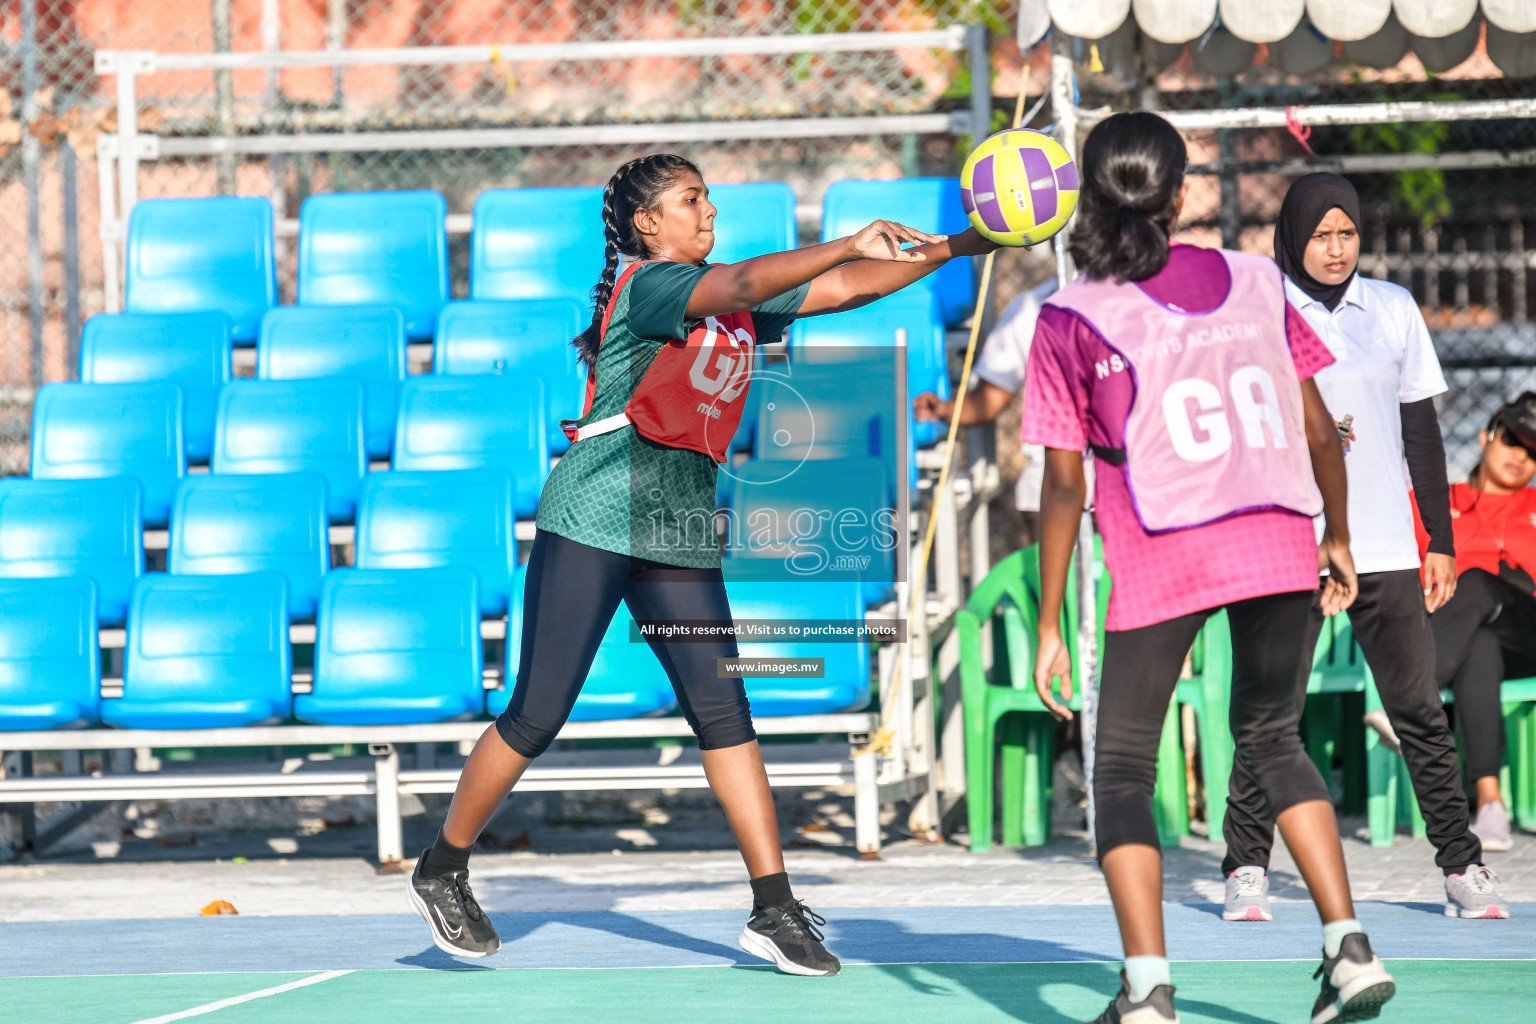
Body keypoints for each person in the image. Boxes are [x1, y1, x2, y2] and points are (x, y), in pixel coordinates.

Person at [407, 153, 999, 972]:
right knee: (538, 714)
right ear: (649, 224)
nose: (709, 211)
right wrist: (842, 239)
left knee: (725, 714)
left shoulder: (729, 304)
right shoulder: (650, 286)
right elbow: (753, 284)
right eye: (692, 200)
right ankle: (442, 866)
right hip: (595, 516)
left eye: (710, 198)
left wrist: (972, 240)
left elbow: (852, 287)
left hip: (678, 525)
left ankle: (774, 905)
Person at [1024, 112, 1394, 1024]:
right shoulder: (1258, 279)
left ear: (1086, 195)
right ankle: (1348, 946)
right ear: (1179, 193)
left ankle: (1148, 990)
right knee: (1274, 740)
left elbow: (1063, 486)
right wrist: (1336, 535)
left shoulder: (1070, 316)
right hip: (1276, 536)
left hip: (1164, 547)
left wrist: (1048, 620)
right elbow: (1317, 425)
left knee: (1119, 772)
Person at [1219, 172, 1508, 924]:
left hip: (1384, 546)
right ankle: (1246, 865)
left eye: (1347, 233)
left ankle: (1461, 866)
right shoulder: (1258, 312)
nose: (1336, 248)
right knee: (1271, 710)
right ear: (1293, 236)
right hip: (1292, 546)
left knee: (1415, 706)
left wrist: (1438, 540)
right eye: (1321, 234)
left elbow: (1420, 432)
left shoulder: (1392, 308)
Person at [1415, 392, 1536, 853]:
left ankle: (1409, 706)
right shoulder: (1433, 502)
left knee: (1481, 583)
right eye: (1511, 441)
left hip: (1530, 631)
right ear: (1486, 437)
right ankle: (1489, 803)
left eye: (1533, 450)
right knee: (1479, 642)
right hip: (1459, 638)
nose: (1520, 456)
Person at [913, 278, 1059, 540]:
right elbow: (989, 400)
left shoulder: (1145, 296)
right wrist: (944, 409)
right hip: (1050, 487)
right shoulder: (1031, 308)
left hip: (1132, 489)